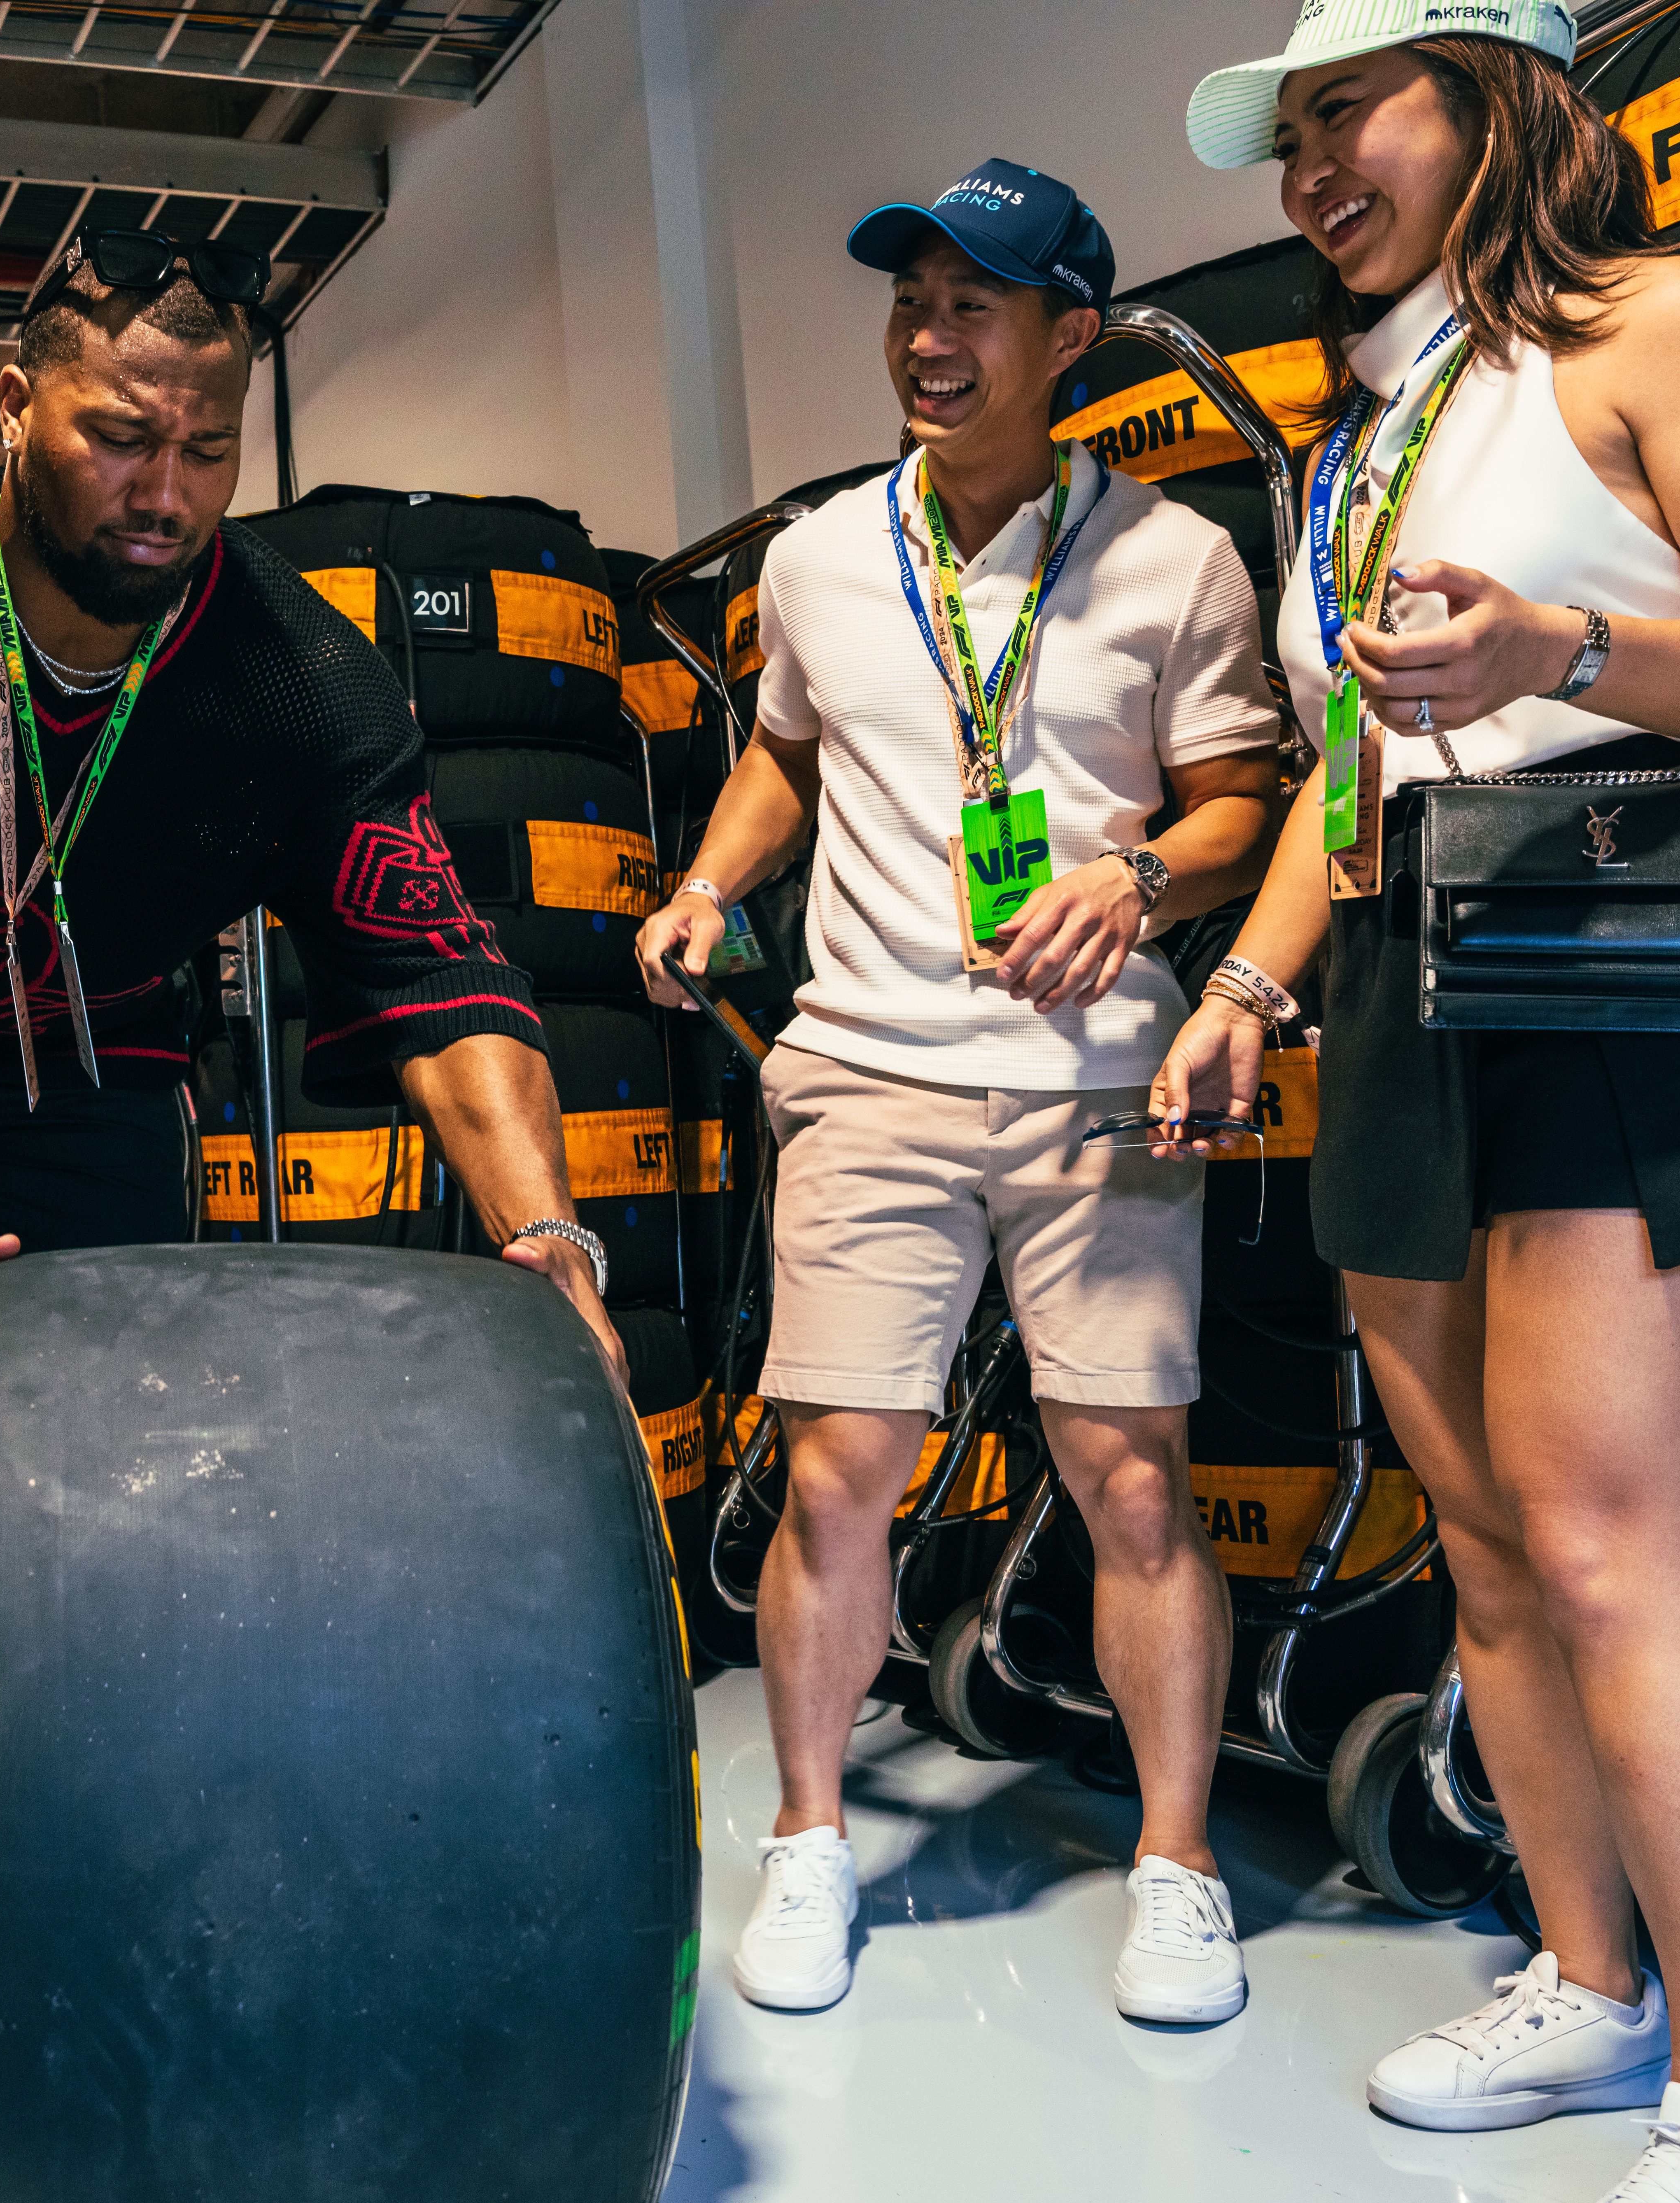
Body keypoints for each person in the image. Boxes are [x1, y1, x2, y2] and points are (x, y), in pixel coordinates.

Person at [0, 226, 627, 2115]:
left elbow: (436, 962)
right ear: (11, 404)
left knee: (103, 1460)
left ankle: (80, 1860)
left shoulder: (290, 674)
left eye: (203, 447)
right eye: (116, 436)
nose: (162, 488)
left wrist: (553, 1238)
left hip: (86, 1064)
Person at [1160, 7, 1680, 2203]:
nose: (1313, 166)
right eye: (1294, 135)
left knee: (1618, 1535)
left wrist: (1569, 643)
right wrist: (1252, 979)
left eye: (1354, 108)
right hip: (1400, 957)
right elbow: (1364, 756)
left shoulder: (1676, 321)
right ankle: (1588, 1978)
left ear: (1502, 97)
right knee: (1484, 1538)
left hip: (1613, 920)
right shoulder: (1379, 419)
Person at [636, 160, 1286, 2024]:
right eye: (907, 300)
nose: (925, 339)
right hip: (869, 1071)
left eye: (970, 305)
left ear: (1066, 336)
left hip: (1097, 1086)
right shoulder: (822, 555)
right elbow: (783, 754)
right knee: (837, 1475)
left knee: (1131, 1485)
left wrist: (1140, 879)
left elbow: (1246, 796)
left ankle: (1174, 1869)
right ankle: (812, 1837)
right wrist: (703, 883)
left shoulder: (1173, 557)